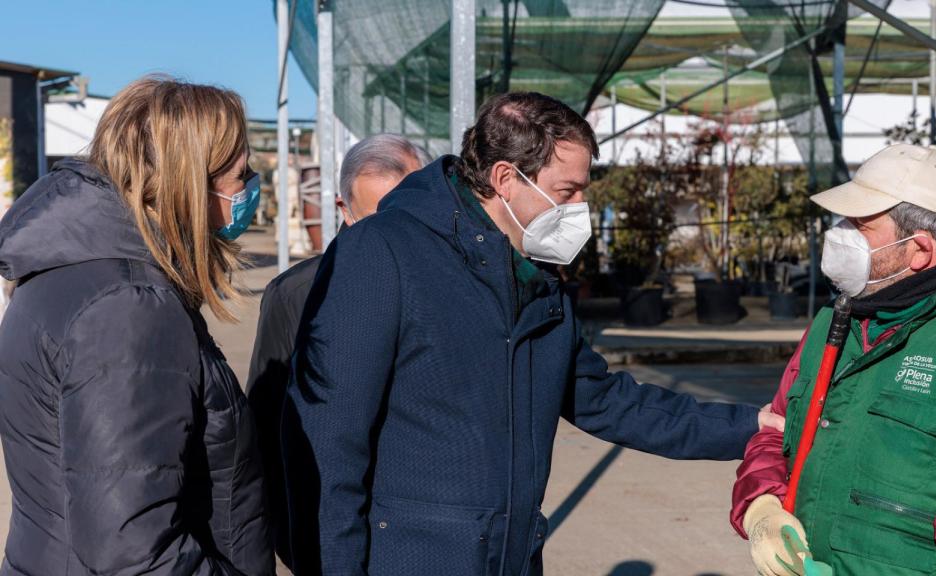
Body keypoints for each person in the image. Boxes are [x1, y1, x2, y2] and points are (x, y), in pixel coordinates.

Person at [284, 91, 783, 576]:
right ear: (505, 178)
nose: (581, 206)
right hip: (412, 557)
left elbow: (605, 400)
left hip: (512, 555)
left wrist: (750, 426)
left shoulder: (534, 274)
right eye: (568, 191)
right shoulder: (384, 252)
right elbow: (329, 439)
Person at [0, 76, 273, 575]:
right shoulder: (127, 307)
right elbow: (132, 549)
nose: (251, 186)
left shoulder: (75, 272)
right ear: (190, 180)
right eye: (241, 173)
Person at [731, 143, 936, 576]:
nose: (838, 233)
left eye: (859, 224)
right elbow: (776, 430)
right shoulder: (833, 321)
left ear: (920, 250)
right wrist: (762, 505)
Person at [246, 133, 428, 571]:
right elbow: (267, 427)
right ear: (344, 211)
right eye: (378, 221)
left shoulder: (457, 290)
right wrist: (295, 542)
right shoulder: (294, 295)